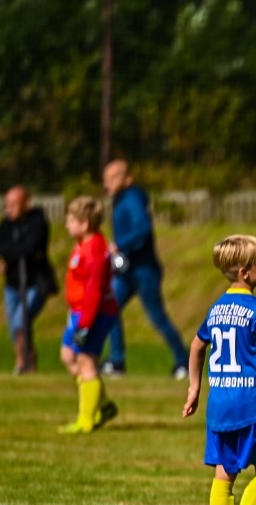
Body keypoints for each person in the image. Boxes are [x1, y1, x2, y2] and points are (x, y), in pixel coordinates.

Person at [183, 235, 256, 505]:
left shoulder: (217, 309)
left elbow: (197, 346)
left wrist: (195, 387)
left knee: (224, 473)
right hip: (249, 405)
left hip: (219, 406)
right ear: (244, 272)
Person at [102, 159, 190, 379]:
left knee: (157, 317)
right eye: (105, 179)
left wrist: (120, 245)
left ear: (127, 178)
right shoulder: (121, 200)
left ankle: (184, 361)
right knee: (109, 308)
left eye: (113, 178)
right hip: (127, 270)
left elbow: (142, 228)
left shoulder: (131, 198)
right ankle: (116, 361)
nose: (107, 183)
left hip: (143, 270)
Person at [57, 196, 120, 434]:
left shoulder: (93, 248)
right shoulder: (85, 242)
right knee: (67, 356)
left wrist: (84, 325)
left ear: (84, 223)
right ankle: (103, 405)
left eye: (71, 220)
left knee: (86, 361)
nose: (66, 224)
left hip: (94, 313)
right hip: (80, 312)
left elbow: (93, 291)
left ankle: (86, 420)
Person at [0, 186, 57, 375]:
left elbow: (30, 247)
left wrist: (9, 254)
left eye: (13, 204)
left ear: (25, 203)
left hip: (35, 283)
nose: (8, 209)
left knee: (21, 321)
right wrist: (13, 253)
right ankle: (26, 360)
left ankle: (23, 362)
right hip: (12, 285)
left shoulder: (37, 222)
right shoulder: (6, 225)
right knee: (15, 327)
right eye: (6, 204)